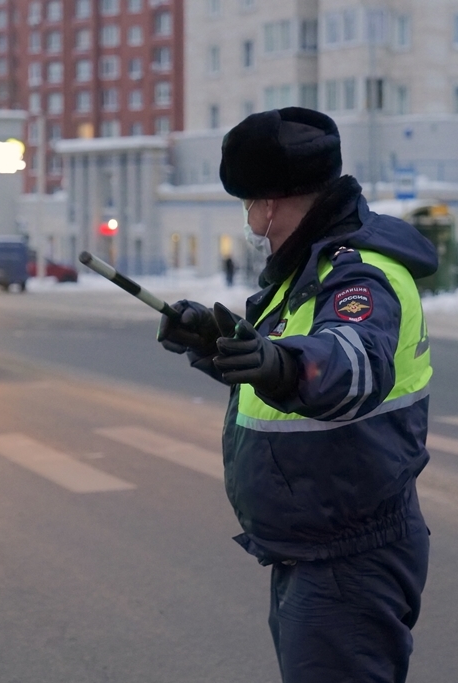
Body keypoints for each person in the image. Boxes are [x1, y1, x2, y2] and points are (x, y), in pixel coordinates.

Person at [157, 107, 437, 683]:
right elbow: (282, 367)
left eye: (248, 205)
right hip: (316, 551)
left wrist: (280, 365)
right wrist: (219, 348)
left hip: (349, 560)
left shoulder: (358, 275)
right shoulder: (307, 271)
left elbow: (351, 362)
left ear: (269, 204)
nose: (251, 221)